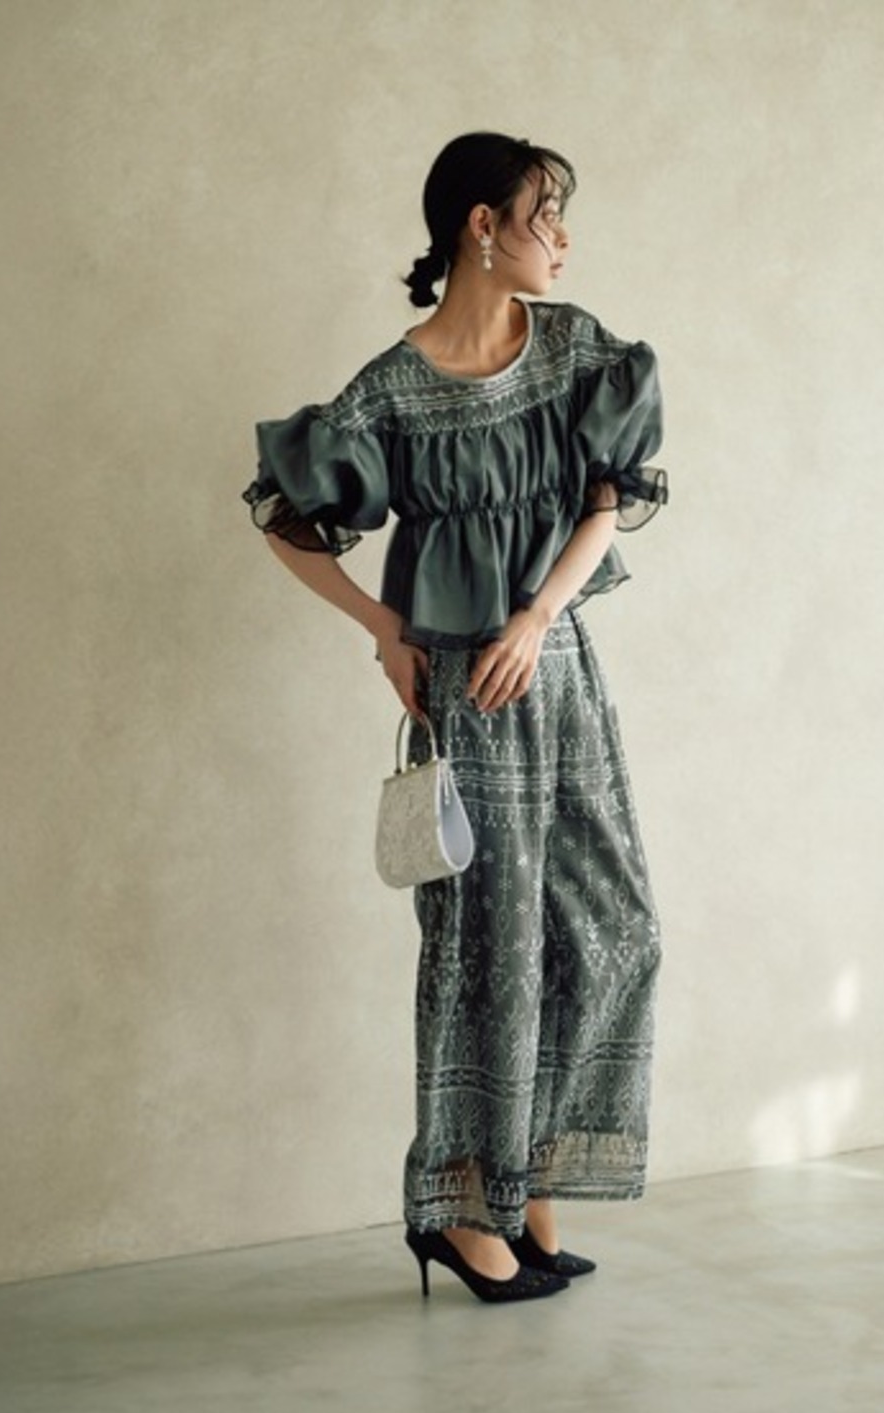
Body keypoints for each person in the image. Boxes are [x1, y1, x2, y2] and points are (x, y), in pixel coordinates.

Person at [243, 132, 666, 1303]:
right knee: (488, 954)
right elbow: (286, 518)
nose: (562, 238)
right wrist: (384, 630)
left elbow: (607, 503)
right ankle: (467, 1212)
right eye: (544, 213)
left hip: (559, 673)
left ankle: (528, 1187)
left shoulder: (575, 351)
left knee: (611, 930)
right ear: (482, 225)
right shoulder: (391, 390)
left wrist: (537, 616)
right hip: (465, 700)